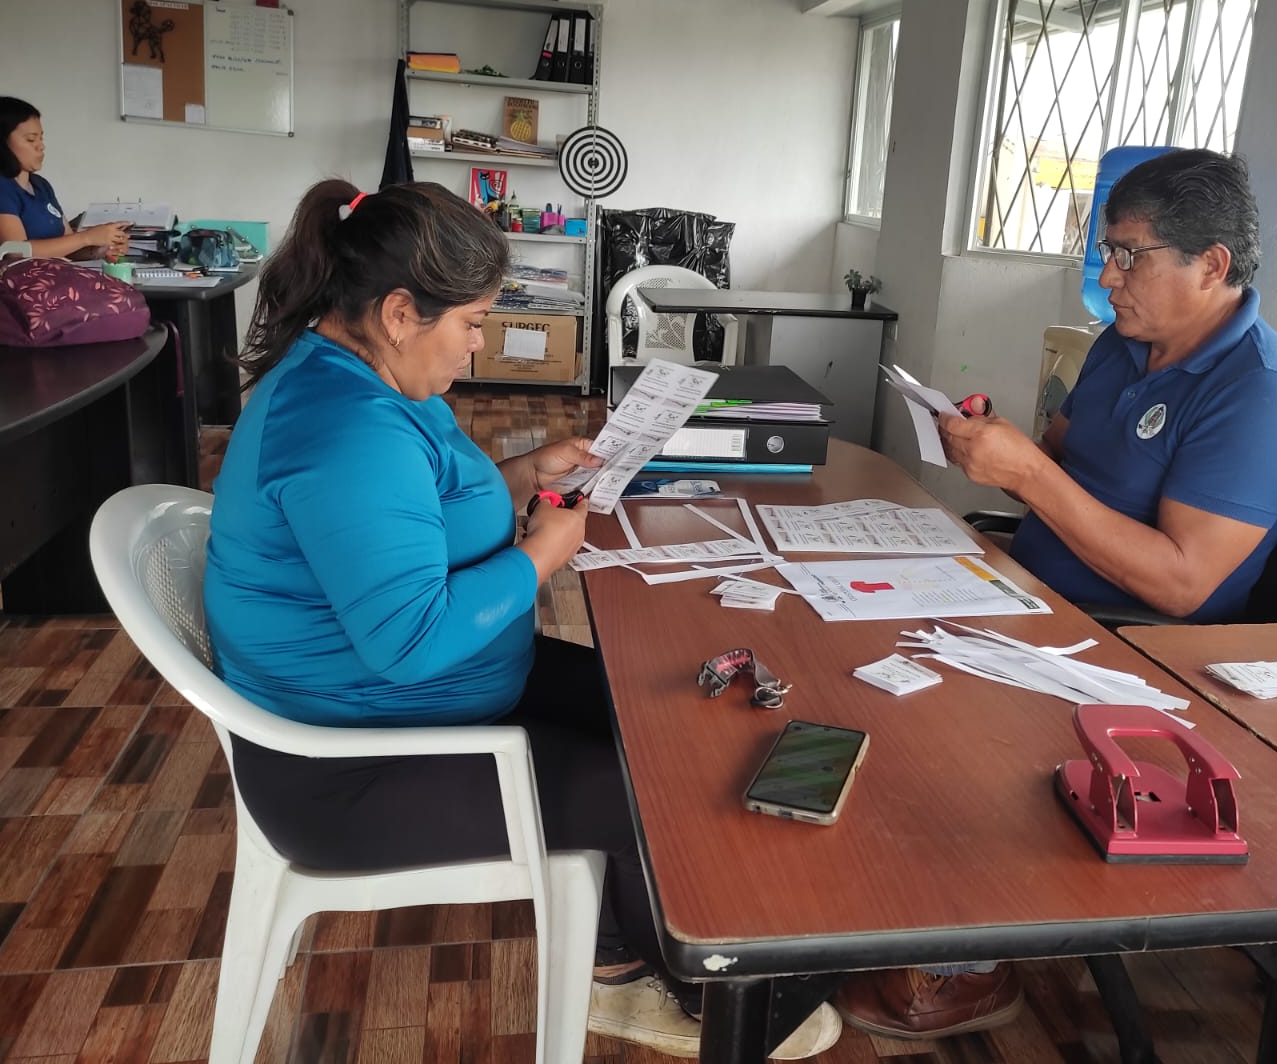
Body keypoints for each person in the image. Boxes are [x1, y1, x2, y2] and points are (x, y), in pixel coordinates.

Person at [202, 178, 839, 1060]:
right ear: (399, 313)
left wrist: (525, 471)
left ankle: (646, 940)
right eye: (471, 323)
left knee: (663, 716)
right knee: (652, 792)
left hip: (430, 702)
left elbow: (417, 516)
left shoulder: (364, 380)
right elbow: (413, 642)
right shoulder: (346, 431)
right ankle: (645, 981)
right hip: (349, 767)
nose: (478, 344)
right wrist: (543, 554)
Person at [834, 149, 1277, 1041]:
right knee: (840, 630)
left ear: (1212, 265)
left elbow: (1181, 583)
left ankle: (972, 960)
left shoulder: (1264, 394)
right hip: (1032, 592)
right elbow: (1059, 466)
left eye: (1130, 255)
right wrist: (995, 448)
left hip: (1125, 647)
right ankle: (878, 884)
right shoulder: (1117, 347)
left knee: (926, 713)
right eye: (1106, 252)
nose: (1109, 277)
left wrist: (1025, 476)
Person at [0, 95, 129, 260]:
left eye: (41, 138)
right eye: (31, 139)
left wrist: (102, 247)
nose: (41, 146)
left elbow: (68, 246)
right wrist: (86, 238)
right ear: (0, 142)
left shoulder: (41, 185)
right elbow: (15, 251)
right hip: (17, 276)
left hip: (55, 272)